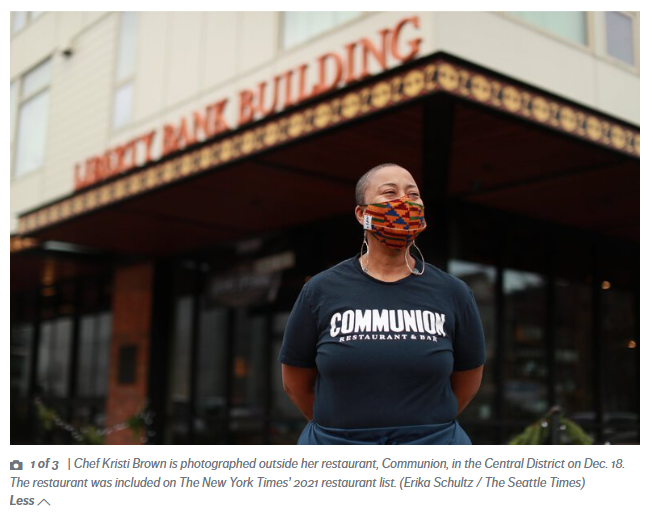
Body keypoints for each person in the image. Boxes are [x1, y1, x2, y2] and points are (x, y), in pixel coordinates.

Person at [278, 163, 485, 444]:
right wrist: (341, 430)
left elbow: (468, 381)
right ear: (362, 214)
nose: (404, 202)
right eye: (390, 192)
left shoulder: (454, 292)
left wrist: (422, 431)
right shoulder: (320, 290)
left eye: (413, 195)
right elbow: (294, 382)